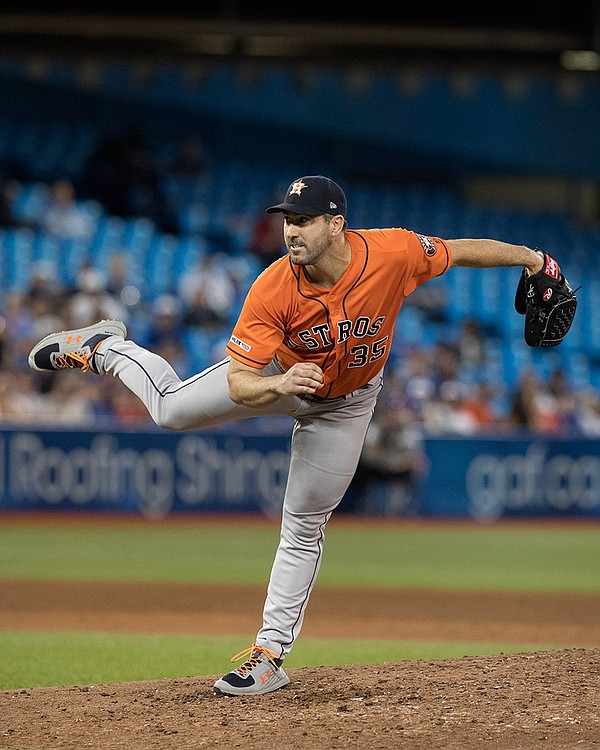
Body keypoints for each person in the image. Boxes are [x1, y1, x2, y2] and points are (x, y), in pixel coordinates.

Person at [28, 174, 549, 696]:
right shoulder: (274, 285)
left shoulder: (393, 252)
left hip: (349, 403)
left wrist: (531, 259)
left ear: (336, 224)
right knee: (168, 411)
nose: (291, 231)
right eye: (287, 221)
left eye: (303, 221)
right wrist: (278, 382)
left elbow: (461, 251)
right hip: (277, 380)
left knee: (303, 523)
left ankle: (268, 656)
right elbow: (238, 380)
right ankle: (104, 349)